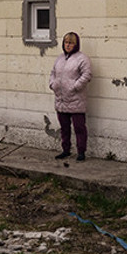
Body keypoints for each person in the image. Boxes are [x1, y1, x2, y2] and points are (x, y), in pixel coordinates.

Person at [49, 32, 92, 161]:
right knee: (64, 128)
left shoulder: (82, 59)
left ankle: (81, 152)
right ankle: (66, 150)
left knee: (79, 127)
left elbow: (87, 75)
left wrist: (75, 87)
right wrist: (53, 84)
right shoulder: (60, 58)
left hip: (75, 100)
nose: (68, 45)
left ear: (76, 44)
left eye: (71, 43)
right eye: (66, 42)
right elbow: (53, 73)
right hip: (60, 100)